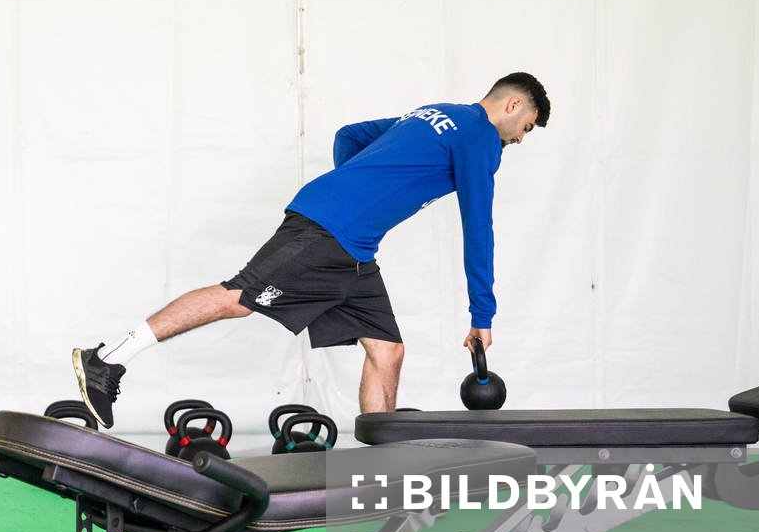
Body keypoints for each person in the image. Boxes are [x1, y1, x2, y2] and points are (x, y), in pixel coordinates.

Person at [73, 73, 549, 429]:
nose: (519, 139)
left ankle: (380, 470)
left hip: (354, 250)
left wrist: (358, 189)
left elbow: (350, 135)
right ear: (512, 105)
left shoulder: (438, 112)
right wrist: (482, 316)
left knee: (387, 350)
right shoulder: (481, 138)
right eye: (525, 126)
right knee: (238, 298)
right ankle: (108, 358)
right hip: (325, 234)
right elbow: (478, 227)